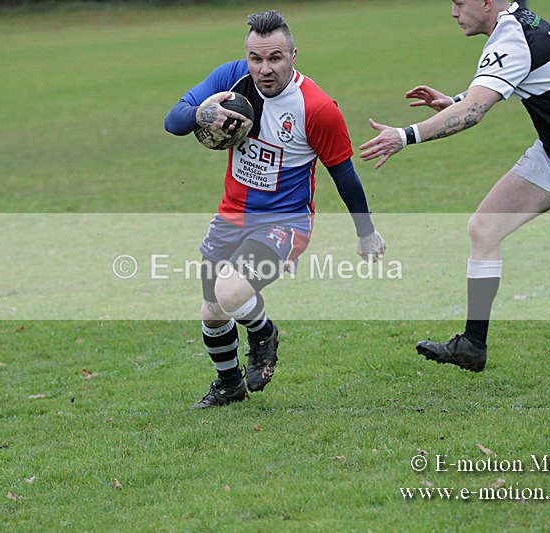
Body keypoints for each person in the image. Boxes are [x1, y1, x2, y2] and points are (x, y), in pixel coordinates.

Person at [359, 1, 550, 372]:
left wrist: (404, 136)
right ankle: (472, 345)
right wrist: (452, 101)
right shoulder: (515, 26)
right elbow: (490, 92)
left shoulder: (513, 35)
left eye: (459, 2)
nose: (454, 12)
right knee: (484, 228)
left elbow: (475, 111)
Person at [165, 10, 386, 407]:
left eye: (275, 58)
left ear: (293, 55)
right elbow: (172, 121)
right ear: (247, 56)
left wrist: (366, 232)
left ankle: (263, 333)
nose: (264, 69)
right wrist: (203, 113)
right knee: (212, 311)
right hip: (232, 213)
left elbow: (345, 176)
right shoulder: (229, 79)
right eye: (256, 58)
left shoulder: (316, 108)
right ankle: (229, 385)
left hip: (285, 222)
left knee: (231, 292)